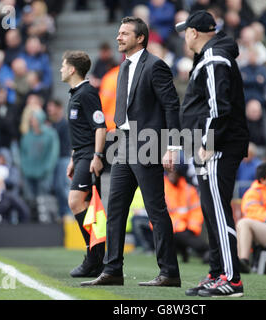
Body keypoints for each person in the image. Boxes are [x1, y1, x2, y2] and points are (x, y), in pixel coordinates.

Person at [81, 17, 181, 287]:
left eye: (124, 33)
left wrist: (172, 147)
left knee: (155, 210)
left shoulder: (156, 66)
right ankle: (112, 270)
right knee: (115, 208)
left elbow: (171, 106)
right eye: (118, 32)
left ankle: (169, 273)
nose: (118, 37)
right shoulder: (123, 67)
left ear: (141, 38)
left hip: (148, 144)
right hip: (124, 143)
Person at [176, 10, 249, 297]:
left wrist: (208, 143)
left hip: (218, 146)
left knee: (218, 212)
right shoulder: (211, 56)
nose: (184, 36)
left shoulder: (214, 58)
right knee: (211, 213)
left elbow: (219, 108)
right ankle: (218, 273)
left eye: (186, 31)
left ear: (194, 32)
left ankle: (232, 279)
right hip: (212, 145)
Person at [60, 50, 107, 278]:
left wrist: (97, 156)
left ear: (71, 69)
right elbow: (80, 130)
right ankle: (97, 258)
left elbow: (100, 127)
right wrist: (72, 158)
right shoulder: (75, 94)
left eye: (63, 65)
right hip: (80, 154)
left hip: (89, 154)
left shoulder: (87, 93)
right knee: (85, 205)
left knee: (75, 201)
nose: (60, 69)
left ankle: (94, 257)